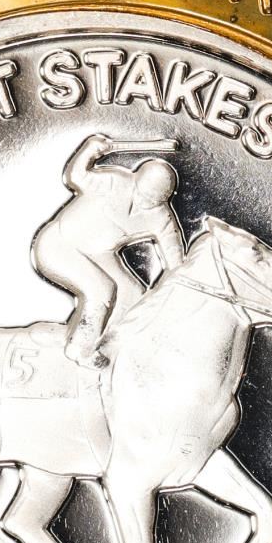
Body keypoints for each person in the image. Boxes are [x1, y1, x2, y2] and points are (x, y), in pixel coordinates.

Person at [32, 133, 185, 368]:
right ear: (136, 181)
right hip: (60, 244)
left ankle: (110, 344)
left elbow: (173, 253)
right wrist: (89, 151)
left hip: (99, 255)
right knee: (101, 290)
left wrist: (179, 281)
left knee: (133, 293)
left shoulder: (159, 215)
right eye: (143, 195)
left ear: (162, 199)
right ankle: (80, 349)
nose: (144, 203)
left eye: (153, 200)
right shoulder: (111, 182)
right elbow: (76, 176)